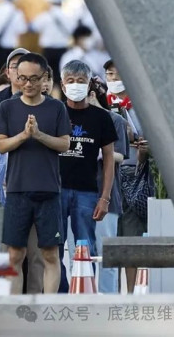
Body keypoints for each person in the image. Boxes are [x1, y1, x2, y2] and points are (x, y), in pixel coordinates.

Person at [0, 53, 71, 294]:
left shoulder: (56, 107)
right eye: (23, 78)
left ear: (45, 78)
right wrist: (25, 135)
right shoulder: (7, 107)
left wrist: (39, 135)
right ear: (15, 77)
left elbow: (65, 144)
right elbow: (1, 145)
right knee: (15, 253)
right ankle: (13, 309)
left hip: (49, 190)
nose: (28, 84)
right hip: (17, 189)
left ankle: (49, 309)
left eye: (34, 78)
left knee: (50, 253)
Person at [56, 60, 117, 293]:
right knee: (54, 245)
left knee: (85, 247)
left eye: (80, 81)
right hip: (57, 190)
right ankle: (60, 294)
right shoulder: (55, 111)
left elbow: (109, 158)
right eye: (70, 81)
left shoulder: (101, 118)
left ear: (89, 83)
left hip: (87, 192)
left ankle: (86, 295)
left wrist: (105, 197)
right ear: (62, 85)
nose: (75, 85)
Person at [104, 59, 147, 293]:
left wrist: (135, 137)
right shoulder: (101, 103)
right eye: (110, 74)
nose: (114, 80)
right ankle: (109, 290)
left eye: (118, 75)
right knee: (109, 234)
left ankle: (130, 292)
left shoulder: (141, 106)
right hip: (107, 174)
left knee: (130, 235)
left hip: (133, 171)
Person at [87, 77, 130, 294]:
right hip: (78, 193)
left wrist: (100, 152)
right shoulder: (68, 118)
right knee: (82, 253)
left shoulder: (114, 120)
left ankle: (108, 298)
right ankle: (83, 298)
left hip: (108, 194)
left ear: (92, 95)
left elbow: (122, 154)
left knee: (106, 253)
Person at [30, 0, 74, 89]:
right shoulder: (67, 16)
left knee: (46, 76)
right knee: (63, 76)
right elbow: (72, 31)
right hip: (63, 50)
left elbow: (33, 27)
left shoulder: (44, 16)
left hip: (48, 50)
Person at [0, 47, 29, 124]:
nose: (19, 70)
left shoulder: (43, 99)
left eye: (23, 65)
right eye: (15, 66)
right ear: (7, 73)